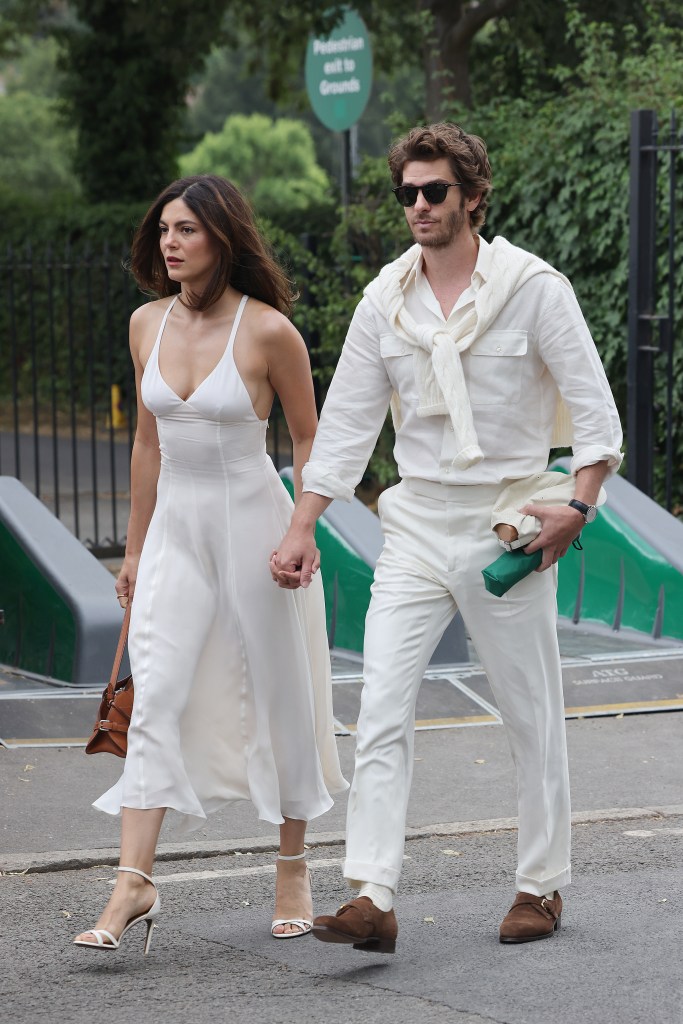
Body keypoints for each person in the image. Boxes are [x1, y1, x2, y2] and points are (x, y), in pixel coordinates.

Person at [271, 123, 622, 951]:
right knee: (381, 703)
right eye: (407, 193)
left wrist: (577, 508)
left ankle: (539, 885)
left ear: (472, 196)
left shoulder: (534, 288)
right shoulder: (383, 299)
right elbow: (346, 427)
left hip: (508, 523)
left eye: (434, 191)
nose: (419, 206)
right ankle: (372, 894)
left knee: (529, 713)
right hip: (416, 524)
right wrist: (301, 525)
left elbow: (595, 415)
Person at [73, 174, 347, 954]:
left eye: (186, 230)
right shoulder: (144, 323)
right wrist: (134, 549)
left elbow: (308, 435)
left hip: (256, 527)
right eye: (163, 229)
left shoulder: (268, 331)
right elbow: (146, 443)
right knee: (155, 690)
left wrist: (303, 528)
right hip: (175, 533)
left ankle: (292, 867)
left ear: (222, 237)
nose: (170, 242)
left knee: (279, 691)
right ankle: (133, 881)